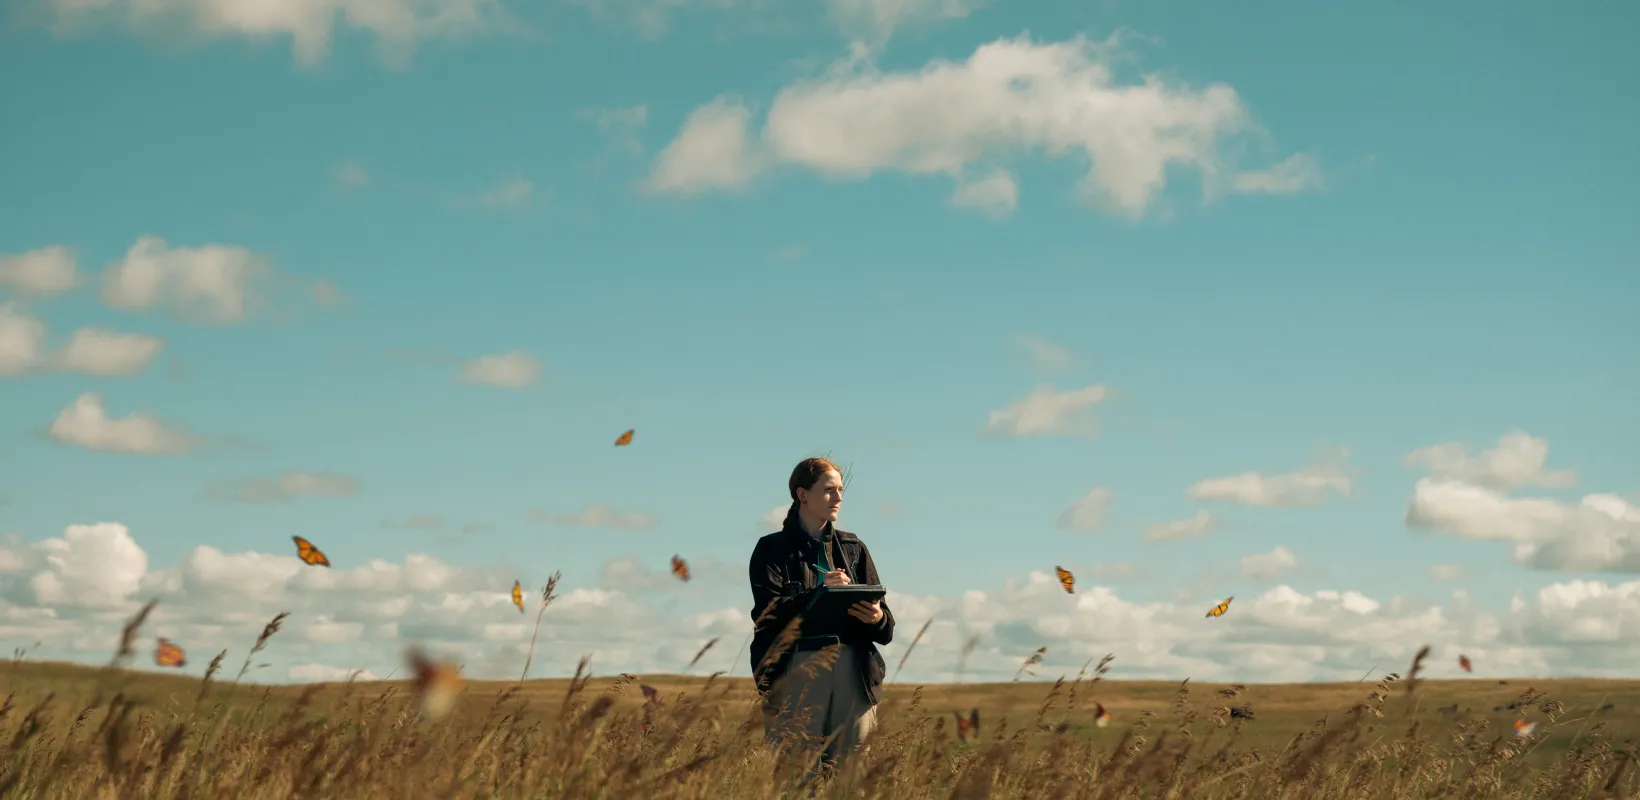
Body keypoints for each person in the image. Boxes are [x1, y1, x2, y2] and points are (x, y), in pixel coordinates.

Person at [749, 456, 895, 780]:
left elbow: (887, 629)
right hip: (796, 670)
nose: (839, 497)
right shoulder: (771, 549)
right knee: (797, 779)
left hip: (854, 674)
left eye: (841, 490)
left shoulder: (854, 547)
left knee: (850, 780)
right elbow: (767, 616)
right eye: (829, 490)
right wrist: (819, 595)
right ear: (802, 495)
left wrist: (876, 618)